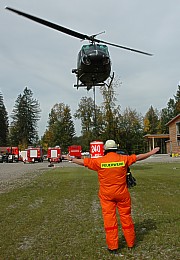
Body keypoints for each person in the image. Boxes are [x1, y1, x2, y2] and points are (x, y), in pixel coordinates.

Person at [64, 140, 160, 255]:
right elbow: (139, 157)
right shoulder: (123, 159)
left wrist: (71, 159)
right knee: (126, 217)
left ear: (105, 149)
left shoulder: (99, 161)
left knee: (109, 220)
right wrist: (151, 152)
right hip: (122, 194)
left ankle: (113, 247)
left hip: (106, 196)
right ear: (116, 149)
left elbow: (84, 162)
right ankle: (131, 243)